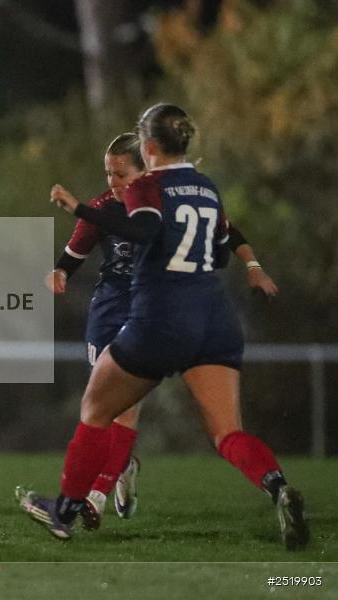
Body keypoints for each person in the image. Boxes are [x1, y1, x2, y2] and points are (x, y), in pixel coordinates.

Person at [17, 103, 308, 550]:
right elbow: (222, 244)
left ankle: (66, 510)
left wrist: (79, 207)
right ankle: (277, 487)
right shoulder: (206, 188)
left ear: (149, 147)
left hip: (162, 321)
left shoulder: (149, 185)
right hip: (214, 319)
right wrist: (251, 266)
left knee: (96, 408)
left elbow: (144, 232)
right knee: (228, 432)